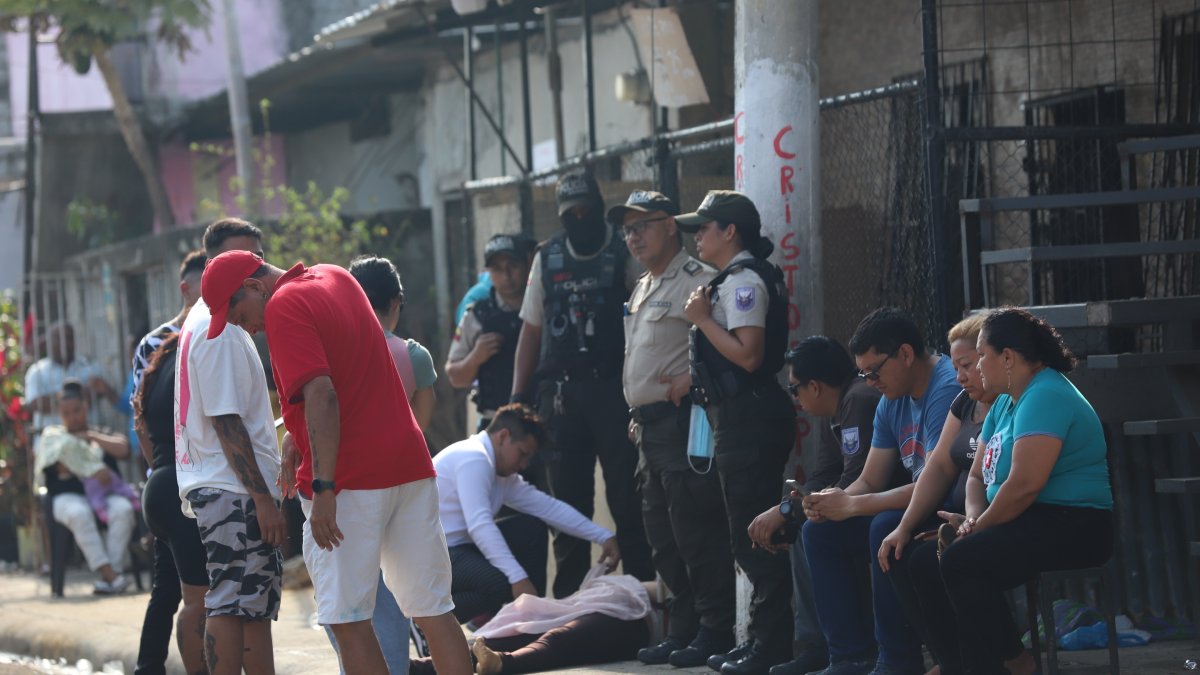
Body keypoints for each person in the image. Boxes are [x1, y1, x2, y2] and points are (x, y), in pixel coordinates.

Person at [205, 250, 472, 675]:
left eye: (238, 316)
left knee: (348, 621)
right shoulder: (335, 276)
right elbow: (354, 371)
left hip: (350, 479)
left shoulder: (282, 307)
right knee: (434, 609)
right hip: (408, 465)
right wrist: (295, 434)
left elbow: (323, 394)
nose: (247, 329)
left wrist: (325, 488)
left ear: (255, 287)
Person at [905, 308, 1113, 675]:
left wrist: (979, 528)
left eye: (982, 356)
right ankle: (959, 667)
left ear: (1007, 357)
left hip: (1074, 524)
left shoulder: (1046, 393)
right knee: (924, 562)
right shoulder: (1004, 400)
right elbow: (974, 478)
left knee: (961, 560)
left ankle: (1016, 664)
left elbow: (1023, 486)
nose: (979, 367)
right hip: (1028, 518)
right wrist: (971, 519)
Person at [509, 170, 652, 597]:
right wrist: (517, 398)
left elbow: (644, 315)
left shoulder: (620, 249)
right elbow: (531, 332)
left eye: (586, 209)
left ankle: (642, 599)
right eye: (570, 213)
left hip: (614, 391)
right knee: (567, 507)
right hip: (562, 399)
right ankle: (569, 606)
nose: (580, 217)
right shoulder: (547, 257)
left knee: (629, 501)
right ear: (560, 216)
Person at [612, 189, 736, 668]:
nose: (633, 236)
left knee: (695, 532)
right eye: (627, 229)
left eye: (642, 224)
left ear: (670, 226)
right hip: (646, 429)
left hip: (684, 424)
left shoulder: (698, 279)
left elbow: (724, 347)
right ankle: (682, 628)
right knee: (661, 535)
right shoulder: (643, 284)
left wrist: (692, 379)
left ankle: (713, 628)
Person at [800, 307, 961, 675]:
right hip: (914, 505)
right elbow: (869, 480)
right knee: (819, 530)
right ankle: (849, 657)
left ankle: (897, 661)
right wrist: (834, 501)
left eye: (874, 371)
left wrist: (854, 506)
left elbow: (934, 483)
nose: (870, 382)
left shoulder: (947, 387)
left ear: (905, 354)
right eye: (863, 373)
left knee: (881, 525)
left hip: (948, 507)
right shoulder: (891, 399)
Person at [676, 190, 795, 675]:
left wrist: (702, 320)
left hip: (748, 419)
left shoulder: (743, 282)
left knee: (755, 535)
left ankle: (771, 644)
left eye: (704, 228)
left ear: (731, 231)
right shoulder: (732, 278)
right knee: (745, 532)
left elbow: (748, 354)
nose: (697, 237)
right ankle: (761, 640)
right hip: (736, 418)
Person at [176, 220, 284, 675]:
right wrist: (261, 496)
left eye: (260, 254)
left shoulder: (210, 320)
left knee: (252, 606)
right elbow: (225, 420)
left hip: (228, 488)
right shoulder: (215, 327)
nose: (258, 266)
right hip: (233, 490)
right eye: (246, 255)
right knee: (230, 601)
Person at [746, 336, 882, 674]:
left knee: (814, 530)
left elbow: (853, 483)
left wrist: (789, 510)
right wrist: (787, 508)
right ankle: (818, 647)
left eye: (795, 390)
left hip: (886, 506)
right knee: (802, 527)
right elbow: (824, 474)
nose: (796, 399)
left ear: (816, 386)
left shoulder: (859, 399)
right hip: (860, 506)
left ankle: (850, 653)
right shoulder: (832, 407)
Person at [875, 313, 994, 674]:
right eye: (956, 366)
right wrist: (905, 527)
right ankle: (951, 661)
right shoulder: (964, 403)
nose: (958, 377)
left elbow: (1013, 484)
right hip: (966, 518)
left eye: (967, 365)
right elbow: (939, 467)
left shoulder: (1009, 405)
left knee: (933, 561)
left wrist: (974, 523)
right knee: (899, 549)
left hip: (998, 519)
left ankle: (987, 661)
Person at [434, 404, 621, 622]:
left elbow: (548, 507)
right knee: (499, 583)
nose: (523, 465)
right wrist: (518, 579)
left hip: (457, 550)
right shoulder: (474, 457)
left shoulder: (502, 474)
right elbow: (480, 525)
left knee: (531, 528)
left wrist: (603, 536)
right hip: (432, 553)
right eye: (522, 453)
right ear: (503, 436)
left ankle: (529, 622)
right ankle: (425, 626)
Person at [134, 334, 209, 675]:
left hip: (160, 485)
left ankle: (147, 669)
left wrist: (159, 471)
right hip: (182, 491)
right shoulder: (197, 358)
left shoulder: (159, 364)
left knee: (169, 592)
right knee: (198, 601)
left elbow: (141, 430)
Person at [409, 571, 655, 675]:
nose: (524, 465)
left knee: (561, 639)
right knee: (515, 633)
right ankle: (413, 667)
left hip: (636, 622)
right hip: (608, 604)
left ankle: (503, 663)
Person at [35, 380, 134, 594]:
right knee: (79, 514)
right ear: (60, 415)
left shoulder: (99, 432)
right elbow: (59, 468)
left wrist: (90, 437)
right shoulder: (55, 439)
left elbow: (124, 449)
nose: (73, 417)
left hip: (105, 496)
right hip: (66, 498)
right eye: (67, 413)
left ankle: (111, 577)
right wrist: (91, 469)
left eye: (77, 411)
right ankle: (110, 574)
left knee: (123, 510)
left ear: (85, 407)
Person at [446, 234, 535, 431]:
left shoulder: (544, 309)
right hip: (495, 424)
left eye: (513, 265)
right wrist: (476, 357)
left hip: (541, 419)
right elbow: (454, 377)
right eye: (497, 269)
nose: (506, 275)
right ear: (488, 272)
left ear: (527, 265)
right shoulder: (476, 315)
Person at [350, 255, 437, 429]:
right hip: (396, 455)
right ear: (396, 301)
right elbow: (419, 425)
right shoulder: (415, 357)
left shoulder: (330, 349)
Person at [25, 322, 118, 440]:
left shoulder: (90, 366)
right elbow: (35, 404)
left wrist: (53, 400)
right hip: (51, 443)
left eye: (68, 337)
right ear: (49, 342)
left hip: (88, 441)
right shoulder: (37, 371)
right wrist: (75, 398)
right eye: (58, 338)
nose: (64, 343)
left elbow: (96, 395)